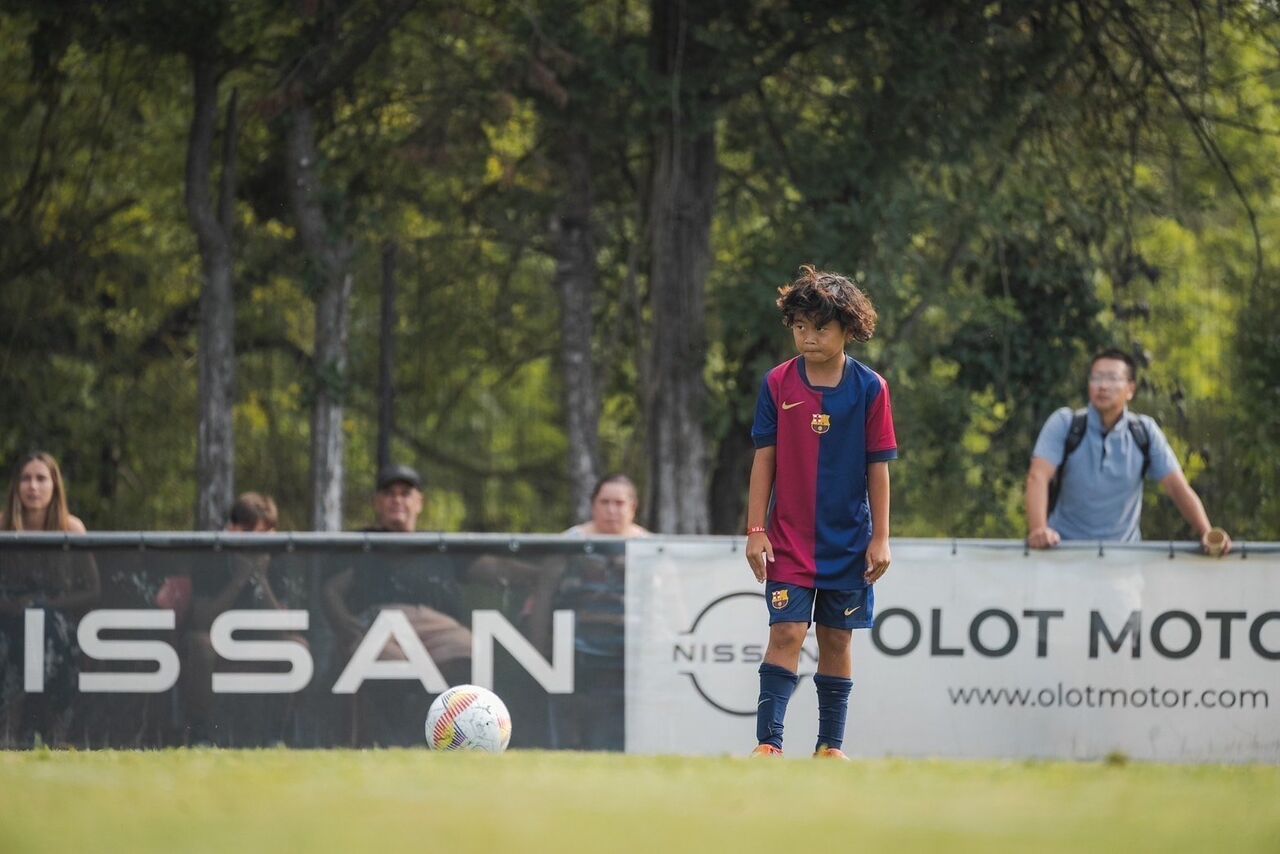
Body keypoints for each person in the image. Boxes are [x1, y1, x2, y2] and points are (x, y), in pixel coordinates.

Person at [745, 266, 896, 759]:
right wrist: (756, 529)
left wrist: (881, 538)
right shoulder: (777, 382)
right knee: (787, 631)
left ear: (848, 329)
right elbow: (764, 460)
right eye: (800, 326)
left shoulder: (871, 388)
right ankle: (769, 746)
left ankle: (829, 748)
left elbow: (878, 467)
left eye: (820, 327)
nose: (808, 337)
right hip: (789, 540)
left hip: (849, 542)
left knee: (836, 639)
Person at [1026, 348, 1231, 555]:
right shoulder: (1065, 423)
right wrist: (1039, 530)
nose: (1103, 386)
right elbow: (1038, 476)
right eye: (1096, 378)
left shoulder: (1144, 432)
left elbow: (1177, 487)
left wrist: (1207, 532)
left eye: (1112, 378)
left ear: (1130, 389)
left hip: (1124, 558)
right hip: (1063, 553)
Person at [322, 464, 472, 745]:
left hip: (436, 627)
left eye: (405, 493)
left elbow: (494, 567)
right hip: (381, 625)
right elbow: (331, 591)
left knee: (471, 651)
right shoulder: (361, 543)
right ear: (377, 502)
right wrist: (345, 625)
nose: (397, 500)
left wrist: (541, 571)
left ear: (419, 502)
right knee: (393, 666)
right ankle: (389, 740)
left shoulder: (438, 546)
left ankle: (438, 734)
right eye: (389, 494)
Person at [533, 474, 649, 750]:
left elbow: (671, 604)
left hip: (630, 660)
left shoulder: (652, 548)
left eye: (619, 503)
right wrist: (538, 646)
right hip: (574, 657)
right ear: (593, 505)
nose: (611, 510)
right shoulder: (568, 544)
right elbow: (544, 596)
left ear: (633, 507)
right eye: (604, 502)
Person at [182, 492, 299, 745]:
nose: (261, 543)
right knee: (200, 646)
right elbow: (201, 620)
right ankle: (201, 735)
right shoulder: (210, 556)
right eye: (255, 533)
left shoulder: (276, 560)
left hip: (261, 643)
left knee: (297, 647)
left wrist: (261, 579)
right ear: (234, 529)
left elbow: (284, 627)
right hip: (217, 643)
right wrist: (238, 580)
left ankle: (276, 737)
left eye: (268, 534)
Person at [0, 452, 99, 746]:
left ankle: (55, 732)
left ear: (55, 485)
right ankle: (11, 730)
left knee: (46, 627)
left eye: (41, 479)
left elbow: (93, 590)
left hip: (57, 621)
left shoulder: (71, 529)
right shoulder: (2, 527)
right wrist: (12, 606)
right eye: (26, 478)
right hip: (8, 620)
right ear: (16, 485)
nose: (33, 486)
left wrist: (50, 605)